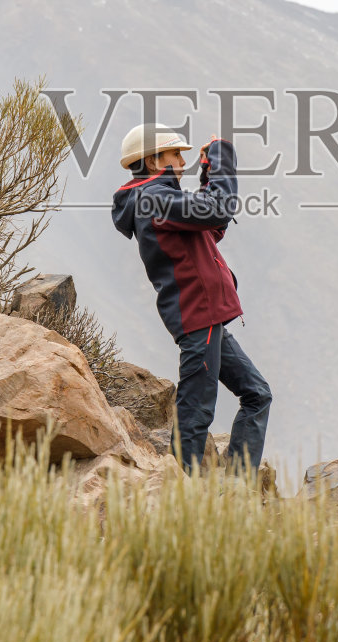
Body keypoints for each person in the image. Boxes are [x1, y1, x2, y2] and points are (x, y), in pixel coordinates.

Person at [110, 123, 272, 473]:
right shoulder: (155, 198)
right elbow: (217, 210)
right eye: (175, 154)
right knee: (196, 410)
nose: (182, 162)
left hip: (205, 316)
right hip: (199, 316)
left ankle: (236, 489)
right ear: (154, 162)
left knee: (257, 394)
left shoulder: (157, 197)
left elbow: (210, 225)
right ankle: (179, 497)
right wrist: (222, 159)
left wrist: (208, 176)